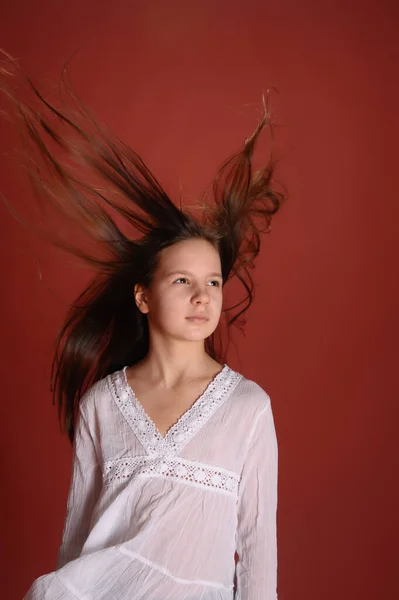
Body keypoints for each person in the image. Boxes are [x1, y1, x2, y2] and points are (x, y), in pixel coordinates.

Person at [0, 51, 286, 599]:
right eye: (182, 282)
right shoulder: (102, 405)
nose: (202, 296)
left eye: (213, 283)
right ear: (143, 296)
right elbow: (78, 542)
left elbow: (257, 551)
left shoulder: (248, 408)